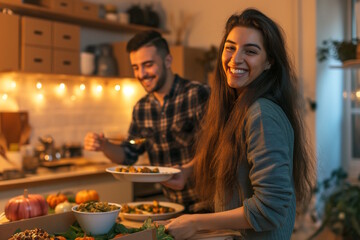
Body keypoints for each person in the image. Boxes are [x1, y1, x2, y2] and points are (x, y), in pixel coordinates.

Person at [163, 8, 316, 240]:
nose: (235, 59)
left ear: (269, 63)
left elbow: (270, 209)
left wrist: (195, 223)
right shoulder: (241, 107)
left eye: (251, 51)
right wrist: (188, 170)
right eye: (230, 47)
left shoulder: (261, 114)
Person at [83, 30, 210, 213]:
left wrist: (188, 170)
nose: (141, 74)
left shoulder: (198, 94)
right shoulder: (141, 108)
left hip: (210, 204)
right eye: (135, 67)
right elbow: (128, 155)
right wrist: (104, 146)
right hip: (172, 207)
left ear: (167, 60)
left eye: (148, 65)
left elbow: (220, 146)